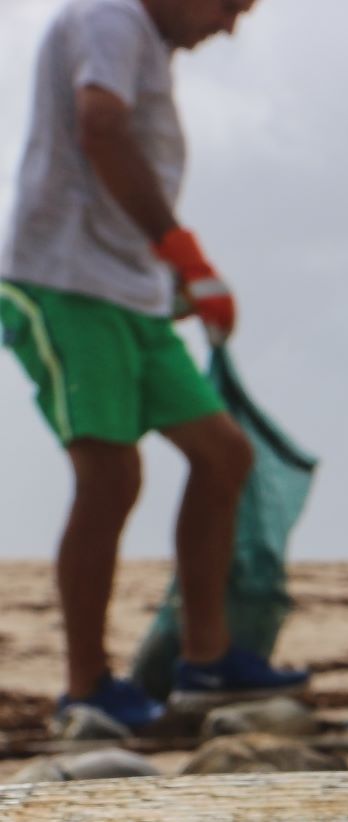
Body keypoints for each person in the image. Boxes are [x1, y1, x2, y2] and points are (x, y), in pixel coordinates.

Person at [1, 0, 306, 736]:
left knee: (224, 453)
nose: (230, 25)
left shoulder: (145, 41)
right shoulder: (110, 16)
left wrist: (167, 278)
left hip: (128, 288)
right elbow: (99, 127)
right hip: (64, 280)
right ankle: (86, 689)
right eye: (230, 4)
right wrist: (181, 249)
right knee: (110, 475)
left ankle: (207, 660)